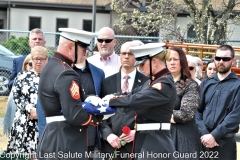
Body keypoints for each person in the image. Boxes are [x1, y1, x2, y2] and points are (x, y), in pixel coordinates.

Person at [37, 28, 103, 160]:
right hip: (66, 140)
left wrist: (87, 99)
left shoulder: (51, 66)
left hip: (53, 137)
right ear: (70, 46)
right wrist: (99, 116)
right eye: (83, 49)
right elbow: (75, 115)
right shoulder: (66, 72)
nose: (86, 53)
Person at [104, 43, 176, 160]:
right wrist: (109, 96)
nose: (140, 68)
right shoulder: (152, 82)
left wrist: (109, 102)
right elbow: (130, 93)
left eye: (142, 64)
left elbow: (134, 100)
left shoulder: (164, 84)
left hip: (156, 143)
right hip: (147, 141)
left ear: (154, 62)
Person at [100, 40, 148, 160]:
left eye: (130, 53)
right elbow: (100, 112)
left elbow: (150, 112)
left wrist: (137, 132)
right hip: (111, 144)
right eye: (123, 53)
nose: (126, 56)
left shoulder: (146, 82)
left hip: (136, 145)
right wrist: (108, 134)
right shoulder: (107, 82)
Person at [195, 44, 240, 160]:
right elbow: (197, 110)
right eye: (218, 58)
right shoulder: (206, 83)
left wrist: (213, 135)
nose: (221, 61)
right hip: (202, 140)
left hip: (224, 144)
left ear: (233, 61)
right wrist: (205, 133)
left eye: (225, 59)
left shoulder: (238, 86)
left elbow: (235, 116)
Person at [4, 46, 49, 158]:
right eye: (35, 59)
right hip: (25, 120)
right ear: (31, 59)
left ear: (47, 60)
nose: (38, 62)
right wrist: (30, 109)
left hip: (45, 120)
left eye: (42, 59)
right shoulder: (22, 76)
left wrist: (40, 112)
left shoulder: (52, 77)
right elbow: (16, 96)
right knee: (25, 154)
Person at [166, 47, 203, 159]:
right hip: (163, 134)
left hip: (184, 136)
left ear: (182, 61)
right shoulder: (160, 83)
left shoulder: (190, 85)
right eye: (169, 59)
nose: (172, 62)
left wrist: (159, 115)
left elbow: (185, 114)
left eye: (175, 59)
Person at [3, 54, 33, 136]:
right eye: (30, 64)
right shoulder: (19, 79)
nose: (34, 66)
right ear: (25, 65)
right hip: (22, 117)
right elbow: (16, 98)